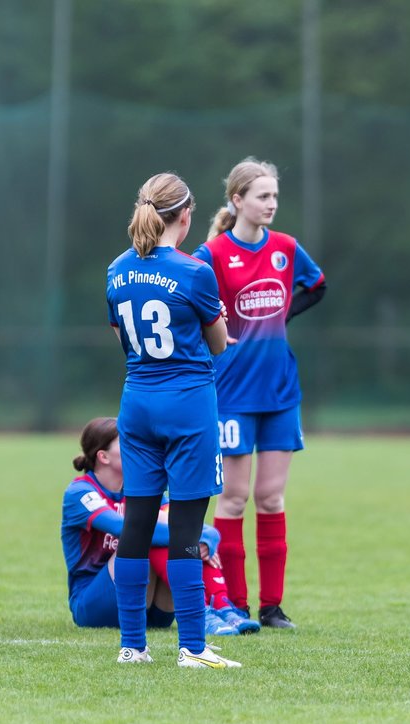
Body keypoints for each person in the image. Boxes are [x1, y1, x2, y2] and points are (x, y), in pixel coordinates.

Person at [105, 172, 237, 667]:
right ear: (186, 216)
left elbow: (122, 337)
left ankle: (132, 647)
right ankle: (193, 648)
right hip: (187, 405)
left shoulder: (116, 269)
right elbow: (219, 343)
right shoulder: (196, 271)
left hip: (136, 403)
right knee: (186, 527)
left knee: (136, 523)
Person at [192, 157, 326, 630]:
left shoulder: (286, 249)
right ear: (238, 200)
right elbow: (190, 305)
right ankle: (233, 603)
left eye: (274, 195)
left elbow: (317, 286)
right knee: (233, 499)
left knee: (271, 498)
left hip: (280, 389)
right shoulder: (211, 254)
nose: (271, 204)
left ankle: (271, 607)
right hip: (230, 391)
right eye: (262, 196)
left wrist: (280, 316)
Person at [60, 417, 260, 635]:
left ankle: (222, 606)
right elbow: (125, 529)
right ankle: (200, 611)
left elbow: (187, 526)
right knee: (147, 536)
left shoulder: (141, 491)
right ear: (103, 456)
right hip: (93, 607)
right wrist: (192, 539)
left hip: (154, 609)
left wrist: (205, 537)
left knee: (169, 535)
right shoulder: (80, 493)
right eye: (128, 443)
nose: (139, 450)